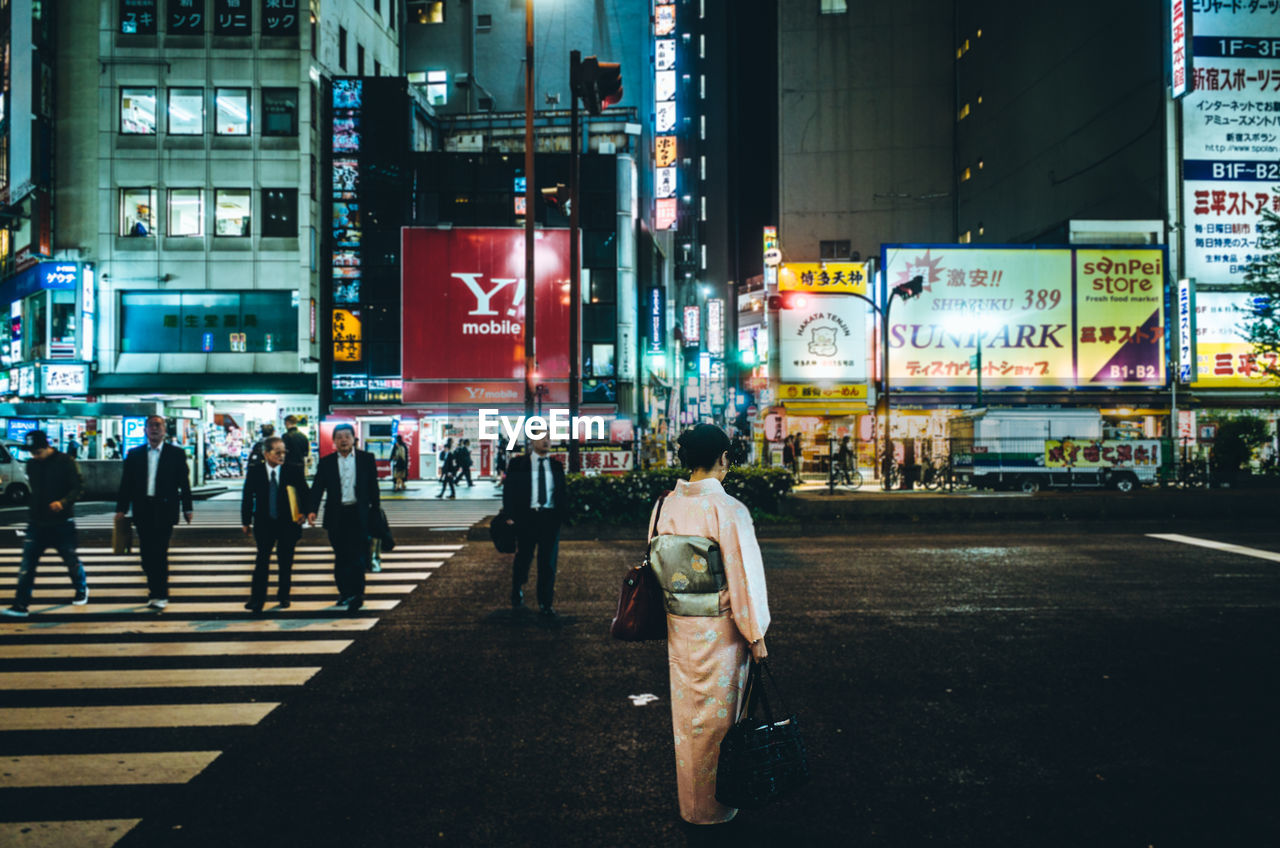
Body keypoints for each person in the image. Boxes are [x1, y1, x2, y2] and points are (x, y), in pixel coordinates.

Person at [650, 423, 770, 827]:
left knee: (688, 721)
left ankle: (692, 806)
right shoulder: (727, 509)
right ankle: (718, 808)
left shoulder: (666, 505)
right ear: (723, 458)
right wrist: (755, 634)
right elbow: (743, 578)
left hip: (679, 626)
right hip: (720, 633)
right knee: (720, 723)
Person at [3, 431, 90, 617]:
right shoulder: (32, 465)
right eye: (32, 453)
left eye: (38, 452)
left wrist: (63, 502)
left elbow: (78, 487)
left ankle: (81, 589)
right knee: (28, 565)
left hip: (62, 522)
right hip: (37, 522)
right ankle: (21, 604)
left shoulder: (66, 461)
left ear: (47, 446)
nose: (35, 456)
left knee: (70, 560)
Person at [115, 415, 193, 610]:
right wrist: (121, 509)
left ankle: (159, 594)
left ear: (165, 430)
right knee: (146, 554)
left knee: (159, 552)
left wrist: (187, 507)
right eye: (151, 426)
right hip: (143, 508)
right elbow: (126, 484)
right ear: (145, 430)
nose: (154, 429)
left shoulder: (176, 454)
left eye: (158, 425)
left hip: (165, 508)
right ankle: (154, 589)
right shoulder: (135, 454)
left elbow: (184, 483)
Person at [306, 423, 380, 612]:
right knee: (341, 555)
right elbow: (317, 488)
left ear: (354, 439)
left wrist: (375, 512)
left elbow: (373, 488)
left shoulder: (366, 459)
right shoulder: (327, 462)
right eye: (339, 436)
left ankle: (357, 594)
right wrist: (312, 510)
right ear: (334, 441)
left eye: (347, 436)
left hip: (358, 513)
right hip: (336, 514)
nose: (343, 440)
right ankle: (345, 592)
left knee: (357, 555)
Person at [241, 436, 307, 611]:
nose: (282, 455)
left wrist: (305, 513)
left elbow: (305, 492)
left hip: (288, 522)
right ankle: (257, 599)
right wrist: (245, 521)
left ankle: (284, 596)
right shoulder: (255, 471)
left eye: (284, 452)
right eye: (277, 452)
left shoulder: (293, 470)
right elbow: (247, 496)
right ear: (266, 454)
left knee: (286, 561)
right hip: (264, 522)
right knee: (262, 560)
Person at [502, 434, 566, 617]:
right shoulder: (518, 464)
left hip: (549, 519)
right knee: (524, 557)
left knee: (548, 563)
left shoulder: (556, 466)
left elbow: (562, 492)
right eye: (541, 438)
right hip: (527, 518)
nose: (546, 441)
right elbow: (509, 490)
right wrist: (509, 514)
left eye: (549, 438)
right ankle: (517, 588)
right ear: (531, 442)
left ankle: (545, 603)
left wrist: (562, 515)